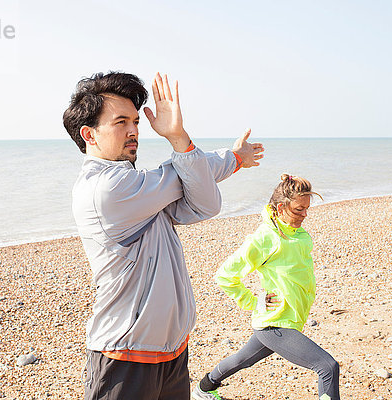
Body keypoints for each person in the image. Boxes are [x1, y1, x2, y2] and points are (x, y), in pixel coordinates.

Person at [62, 71, 264, 400]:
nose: (134, 131)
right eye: (120, 122)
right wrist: (185, 141)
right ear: (90, 134)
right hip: (124, 357)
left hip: (170, 353)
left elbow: (205, 202)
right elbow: (183, 176)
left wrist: (231, 159)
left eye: (136, 122)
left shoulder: (143, 192)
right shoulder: (106, 189)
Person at [193, 174, 340, 400]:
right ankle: (204, 389)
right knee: (327, 367)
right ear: (281, 207)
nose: (305, 215)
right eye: (299, 209)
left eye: (307, 209)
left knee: (243, 359)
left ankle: (204, 389)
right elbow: (225, 275)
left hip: (288, 319)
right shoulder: (264, 238)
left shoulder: (297, 233)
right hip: (275, 323)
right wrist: (253, 301)